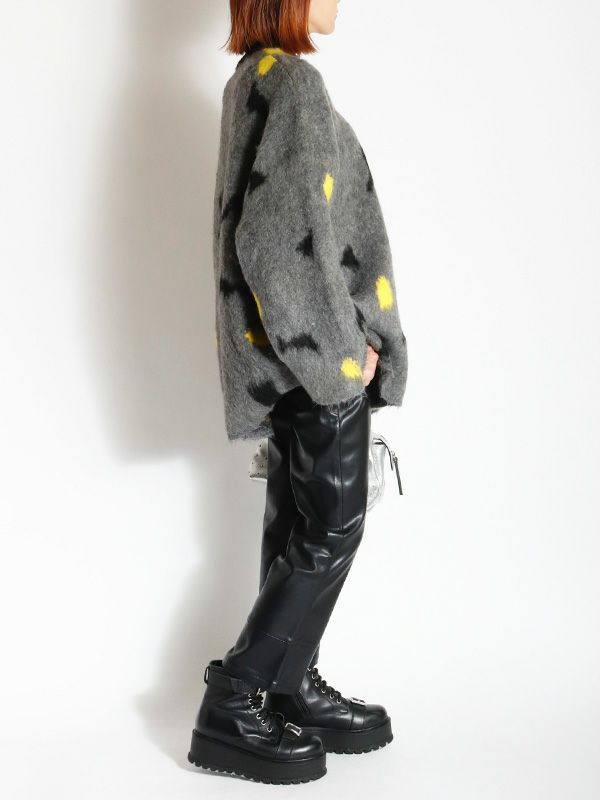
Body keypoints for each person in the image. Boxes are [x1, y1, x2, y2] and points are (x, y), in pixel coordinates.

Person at [188, 0, 408, 784]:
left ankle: (287, 685)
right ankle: (236, 696)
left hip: (280, 362)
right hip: (314, 363)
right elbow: (279, 243)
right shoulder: (293, 84)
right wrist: (341, 358)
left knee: (295, 528)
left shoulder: (253, 79)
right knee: (330, 529)